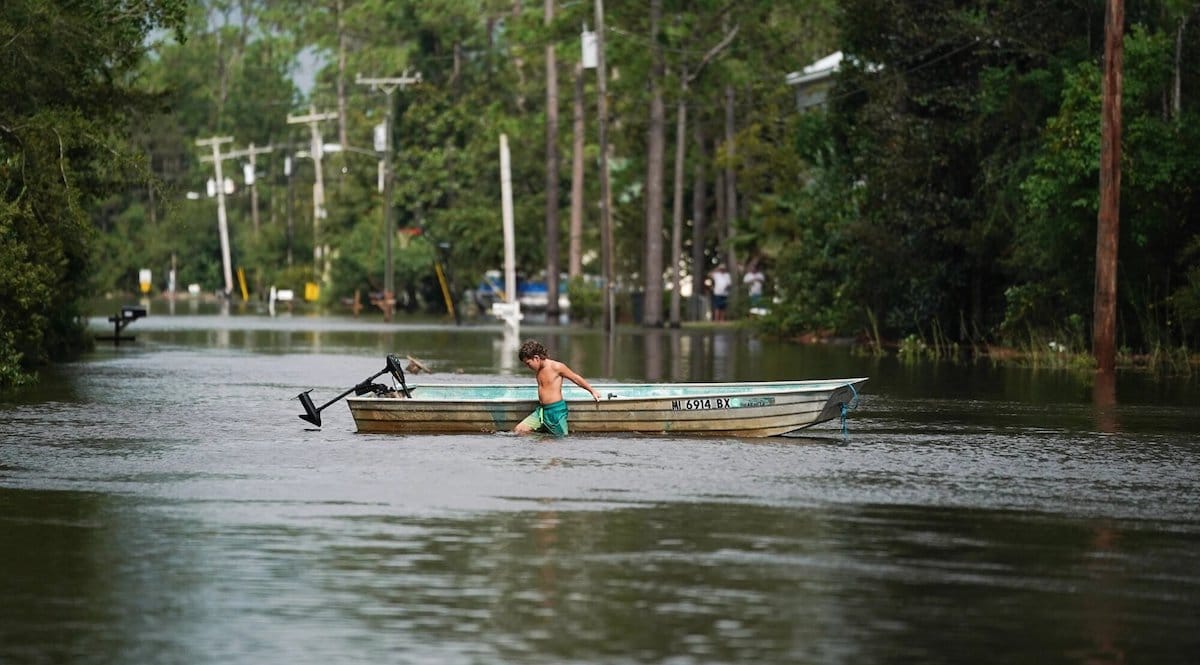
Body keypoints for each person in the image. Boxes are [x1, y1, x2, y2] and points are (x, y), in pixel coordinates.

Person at [515, 339, 600, 437]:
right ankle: (542, 439)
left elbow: (575, 378)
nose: (527, 367)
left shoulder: (556, 367)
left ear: (536, 358)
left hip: (556, 412)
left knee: (561, 439)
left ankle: (544, 440)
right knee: (519, 430)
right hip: (542, 412)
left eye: (528, 363)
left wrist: (592, 391)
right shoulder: (538, 369)